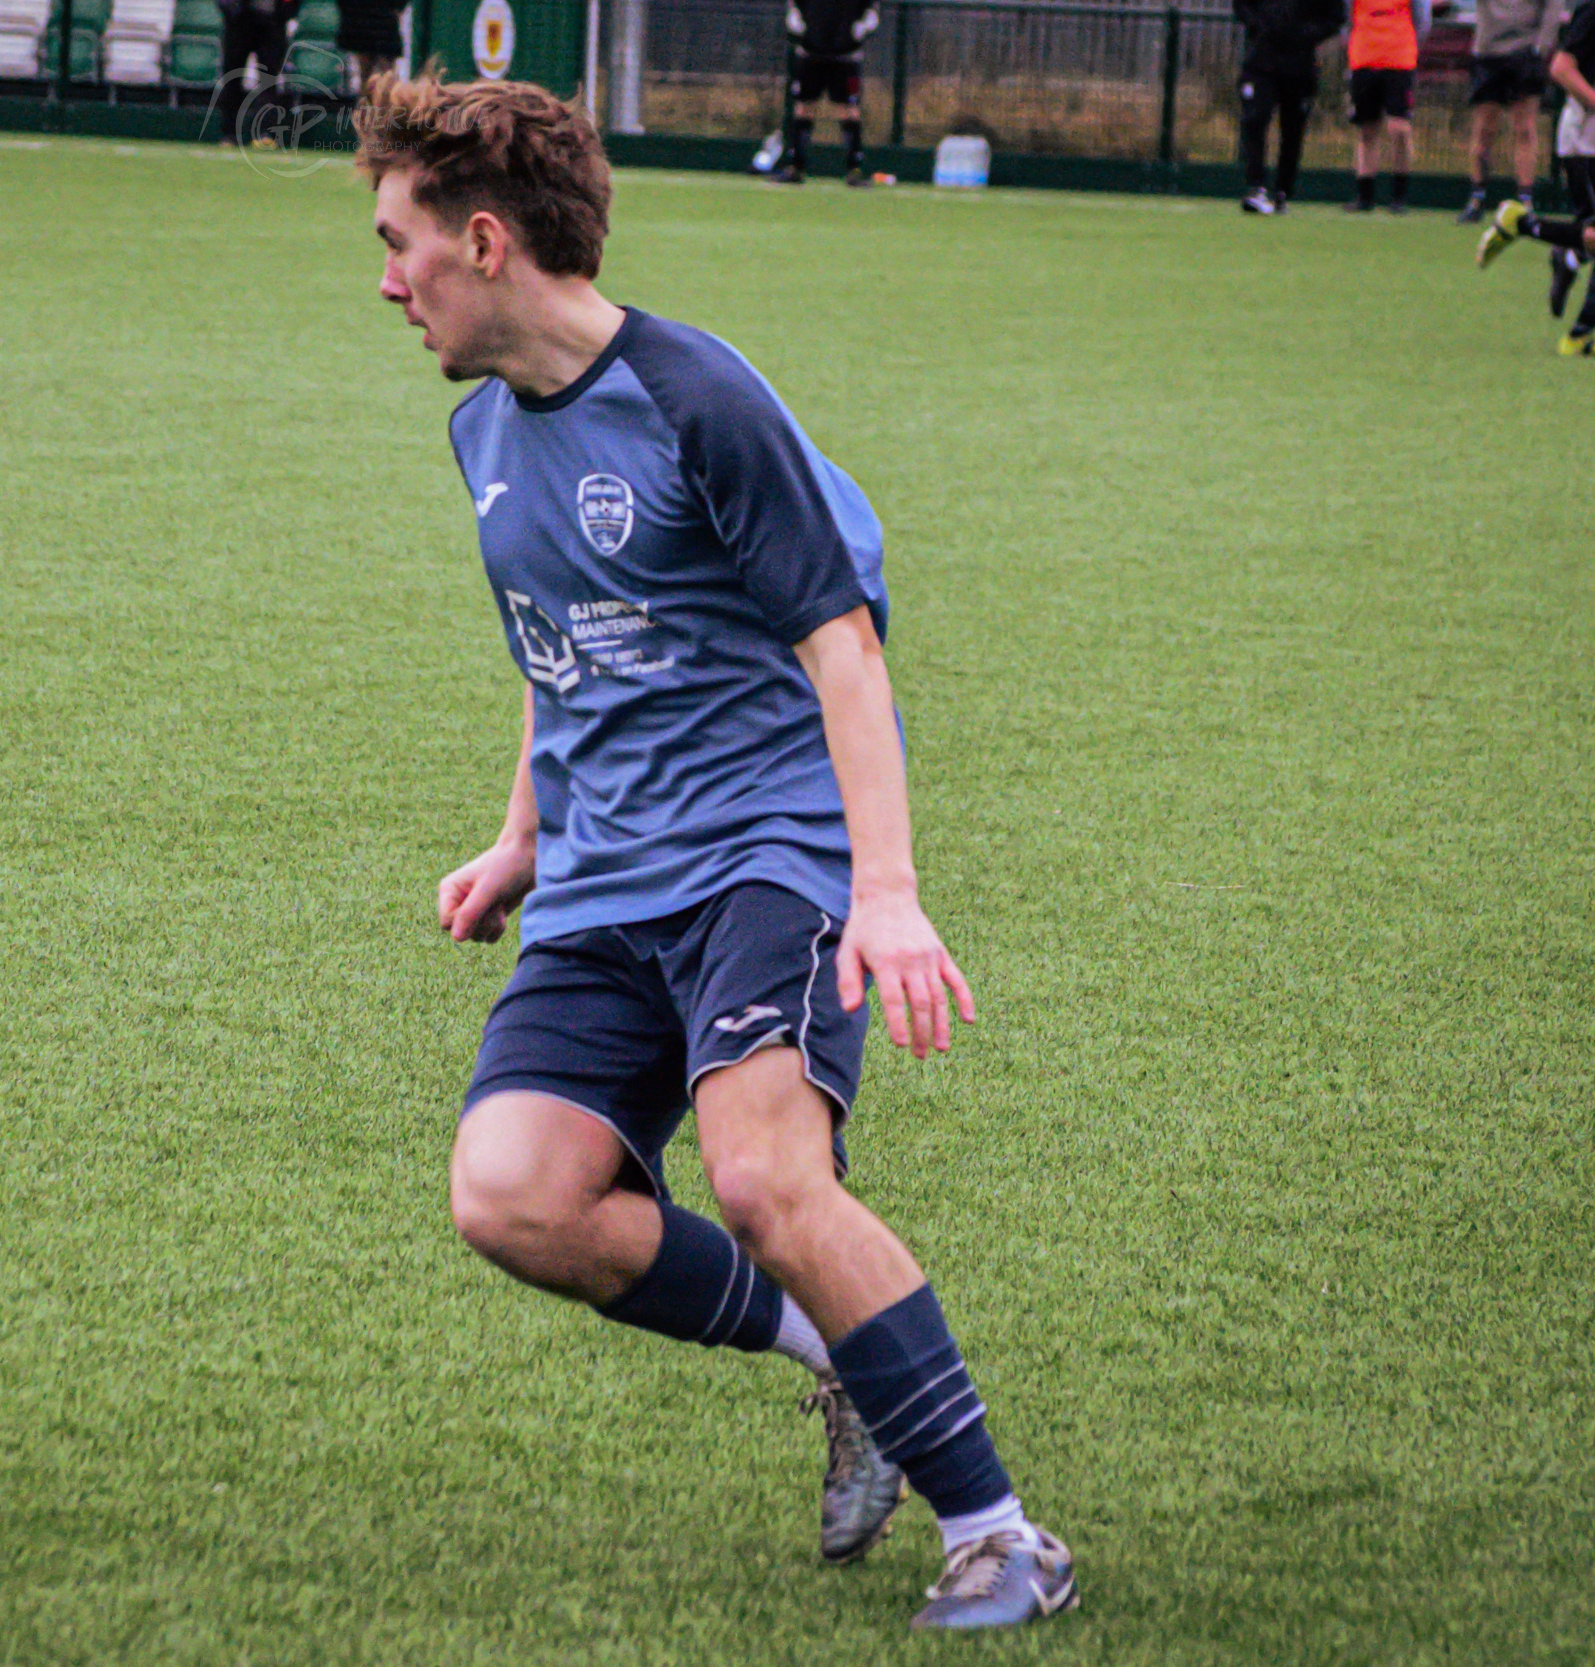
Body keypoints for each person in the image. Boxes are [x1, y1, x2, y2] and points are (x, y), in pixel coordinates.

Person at [357, 70, 1077, 1632]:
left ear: (484, 241)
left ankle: (1005, 1533)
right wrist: (517, 841)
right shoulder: (482, 432)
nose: (388, 278)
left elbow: (845, 649)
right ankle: (838, 1356)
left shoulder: (698, 398)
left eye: (400, 241)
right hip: (608, 880)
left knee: (762, 1175)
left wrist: (882, 891)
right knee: (514, 1193)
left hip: (770, 849)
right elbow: (564, 658)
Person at [1476, 0, 1595, 353]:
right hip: (1585, 143)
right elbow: (1561, 68)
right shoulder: (1592, 12)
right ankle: (1580, 332)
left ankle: (1561, 254)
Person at [1458, 0, 1570, 221]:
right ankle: (1477, 197)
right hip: (1488, 53)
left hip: (1526, 52)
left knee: (1524, 128)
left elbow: (1553, 6)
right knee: (1484, 128)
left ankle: (1525, 200)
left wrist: (1541, 45)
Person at [1234, 0, 1347, 212]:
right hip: (1261, 61)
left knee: (1293, 129)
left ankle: (1282, 190)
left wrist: (1305, 34)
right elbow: (1241, 6)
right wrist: (1258, 26)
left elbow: (1335, 18)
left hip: (1300, 66)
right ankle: (1255, 186)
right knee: (1255, 119)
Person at [761, 0, 879, 184]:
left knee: (849, 110)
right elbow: (794, 7)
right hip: (811, 52)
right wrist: (797, 22)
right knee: (804, 108)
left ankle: (854, 170)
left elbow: (871, 10)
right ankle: (795, 168)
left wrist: (862, 27)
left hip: (846, 55)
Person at [1344, 0, 1430, 212]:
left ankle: (1398, 197)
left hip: (1399, 61)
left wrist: (1407, 47)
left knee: (1399, 128)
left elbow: (1423, 21)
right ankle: (1365, 196)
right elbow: (1346, 18)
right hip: (1363, 59)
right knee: (1366, 130)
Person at [213, 0, 296, 144]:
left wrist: (285, 11)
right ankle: (229, 134)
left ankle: (266, 133)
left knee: (269, 80)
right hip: (239, 22)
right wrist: (231, 8)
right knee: (232, 77)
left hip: (273, 23)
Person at [334, 0, 401, 98]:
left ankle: (385, 106)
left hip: (385, 20)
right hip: (362, 21)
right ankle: (366, 106)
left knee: (386, 75)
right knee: (366, 76)